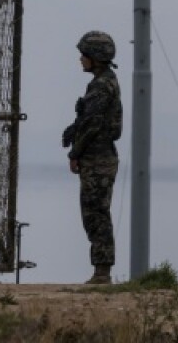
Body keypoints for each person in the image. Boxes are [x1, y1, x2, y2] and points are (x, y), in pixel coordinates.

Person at [61, 30, 123, 285]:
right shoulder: (104, 81)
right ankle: (101, 270)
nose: (81, 60)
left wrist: (75, 153)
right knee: (96, 213)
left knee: (95, 214)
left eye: (84, 55)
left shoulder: (101, 85)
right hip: (100, 157)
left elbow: (92, 123)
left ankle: (102, 272)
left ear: (95, 57)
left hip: (97, 159)